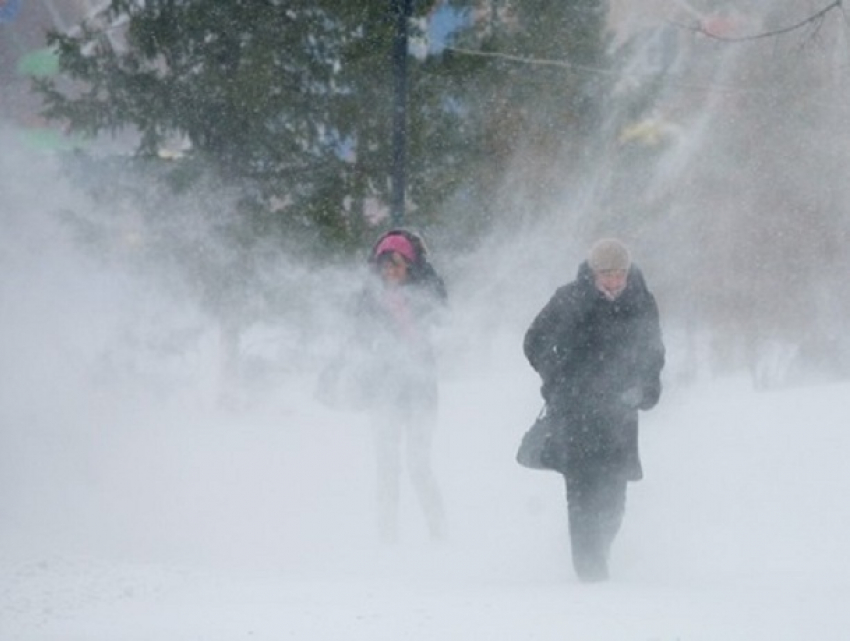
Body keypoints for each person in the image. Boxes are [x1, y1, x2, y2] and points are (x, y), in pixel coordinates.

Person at [523, 238, 665, 582]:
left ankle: (599, 556)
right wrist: (557, 379)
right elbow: (534, 341)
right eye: (606, 274)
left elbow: (654, 352)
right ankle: (590, 576)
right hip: (576, 414)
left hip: (619, 415)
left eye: (619, 274)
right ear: (593, 273)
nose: (614, 281)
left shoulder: (642, 302)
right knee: (582, 495)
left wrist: (646, 389)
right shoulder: (569, 298)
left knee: (614, 501)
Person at [351, 229, 447, 543]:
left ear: (410, 265)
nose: (390, 273)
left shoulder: (428, 288)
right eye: (385, 267)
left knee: (419, 465)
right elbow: (359, 335)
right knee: (386, 468)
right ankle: (387, 537)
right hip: (384, 393)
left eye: (397, 265)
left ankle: (438, 534)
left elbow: (442, 320)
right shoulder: (370, 296)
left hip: (420, 391)